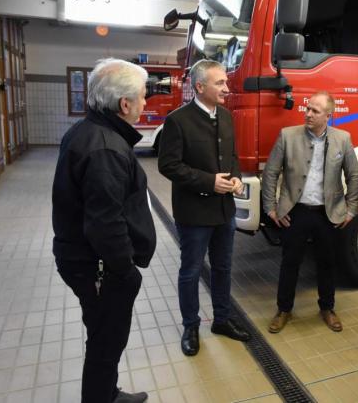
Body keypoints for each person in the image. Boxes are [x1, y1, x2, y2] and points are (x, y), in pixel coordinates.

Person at [52, 58, 155, 403]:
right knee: (105, 343)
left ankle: (107, 394)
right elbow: (104, 222)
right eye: (142, 96)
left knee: (103, 336)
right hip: (99, 266)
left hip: (86, 261)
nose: (145, 103)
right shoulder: (106, 148)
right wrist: (125, 271)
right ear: (125, 104)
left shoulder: (89, 131)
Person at [157, 59, 251, 357]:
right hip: (194, 212)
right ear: (200, 87)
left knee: (224, 268)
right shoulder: (178, 120)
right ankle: (191, 326)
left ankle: (221, 320)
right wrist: (209, 182)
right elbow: (168, 165)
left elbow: (232, 155)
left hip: (224, 211)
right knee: (191, 271)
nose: (227, 87)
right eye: (220, 83)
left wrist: (235, 178)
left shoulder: (225, 116)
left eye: (225, 82)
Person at [261, 91, 358, 333]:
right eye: (307, 109)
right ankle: (283, 309)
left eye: (315, 111)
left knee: (327, 262)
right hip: (295, 211)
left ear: (329, 115)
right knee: (290, 262)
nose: (308, 113)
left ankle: (327, 308)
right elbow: (271, 173)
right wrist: (271, 208)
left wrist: (351, 209)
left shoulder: (343, 139)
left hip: (328, 213)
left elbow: (354, 175)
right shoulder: (288, 136)